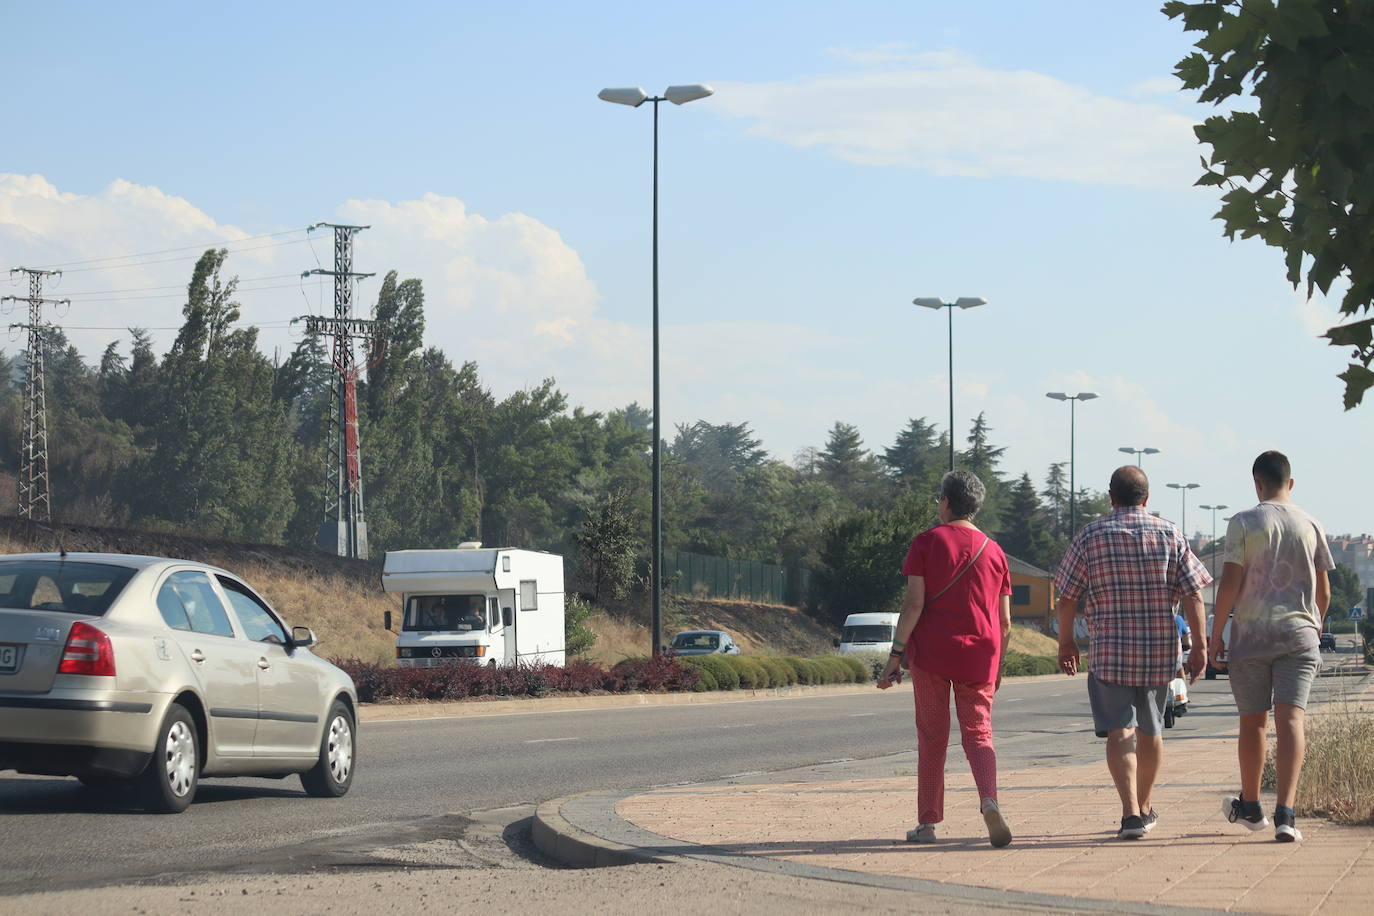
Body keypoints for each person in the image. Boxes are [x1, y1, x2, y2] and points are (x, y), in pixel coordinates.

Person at [1054, 466, 1210, 840]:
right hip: (1159, 651)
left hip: (1109, 651)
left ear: (1111, 497)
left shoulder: (1090, 535)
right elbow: (1194, 593)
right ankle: (1144, 805)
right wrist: (1201, 645)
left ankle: (1129, 814)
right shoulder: (1170, 533)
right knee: (1151, 729)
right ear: (1147, 498)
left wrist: (1066, 642)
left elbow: (1067, 596)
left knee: (1119, 732)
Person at [877, 469, 1014, 848]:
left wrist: (895, 655)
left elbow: (914, 603)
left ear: (946, 502)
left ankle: (927, 824)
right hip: (980, 656)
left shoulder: (926, 543)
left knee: (933, 736)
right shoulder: (996, 552)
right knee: (979, 732)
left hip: (933, 655)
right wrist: (997, 666)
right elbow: (1005, 622)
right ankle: (989, 799)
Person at [1210, 450, 1332, 843]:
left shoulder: (1244, 522)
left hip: (1251, 638)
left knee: (1253, 723)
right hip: (1300, 637)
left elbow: (1229, 582)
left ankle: (1251, 806)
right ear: (1290, 483)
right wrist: (1313, 626)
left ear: (1256, 483)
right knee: (1291, 720)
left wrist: (1216, 635)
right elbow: (1324, 592)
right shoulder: (1311, 523)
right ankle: (1287, 814)